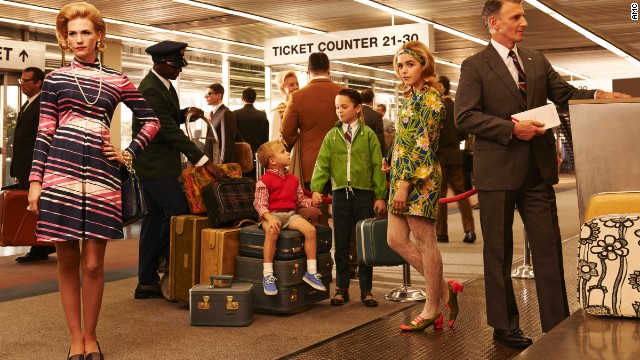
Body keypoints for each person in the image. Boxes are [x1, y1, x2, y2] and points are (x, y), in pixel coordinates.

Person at [454, 0, 630, 348]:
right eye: (516, 16)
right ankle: (504, 326)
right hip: (497, 172)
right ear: (494, 23)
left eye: (523, 15)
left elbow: (563, 93)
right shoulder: (474, 65)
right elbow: (465, 117)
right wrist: (509, 129)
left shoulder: (535, 59)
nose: (524, 22)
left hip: (537, 171)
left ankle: (557, 324)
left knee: (549, 249)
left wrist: (599, 93)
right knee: (499, 253)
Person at [27, 3, 161, 358]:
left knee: (93, 263)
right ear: (65, 38)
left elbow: (151, 119)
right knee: (67, 259)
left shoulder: (117, 79)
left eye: (85, 32)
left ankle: (92, 334)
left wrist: (128, 151)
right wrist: (35, 181)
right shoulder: (55, 79)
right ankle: (76, 339)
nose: (78, 39)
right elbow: (44, 132)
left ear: (99, 36)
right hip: (60, 170)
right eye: (72, 34)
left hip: (102, 174)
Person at [133, 40, 226, 300]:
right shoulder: (150, 89)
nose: (179, 70)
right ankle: (165, 256)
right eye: (175, 66)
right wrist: (204, 160)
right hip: (153, 165)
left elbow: (168, 117)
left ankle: (146, 281)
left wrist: (187, 112)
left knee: (152, 221)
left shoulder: (164, 85)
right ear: (159, 63)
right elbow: (168, 130)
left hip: (160, 164)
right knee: (178, 210)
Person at [383, 41, 463, 332]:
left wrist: (404, 184)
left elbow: (422, 146)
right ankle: (445, 291)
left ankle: (432, 308)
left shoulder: (431, 99)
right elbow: (405, 139)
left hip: (420, 178)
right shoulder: (409, 98)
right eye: (400, 65)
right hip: (401, 176)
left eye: (410, 64)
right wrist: (390, 159)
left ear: (424, 66)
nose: (403, 70)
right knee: (395, 239)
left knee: (425, 241)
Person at [310, 88, 387, 307]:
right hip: (339, 194)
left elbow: (377, 166)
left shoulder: (368, 135)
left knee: (363, 243)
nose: (339, 111)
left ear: (358, 108)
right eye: (337, 107)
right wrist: (317, 188)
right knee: (341, 241)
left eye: (344, 107)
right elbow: (322, 163)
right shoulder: (332, 136)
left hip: (364, 194)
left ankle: (366, 289)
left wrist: (380, 195)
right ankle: (341, 288)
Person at [253, 140, 326, 295]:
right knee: (272, 231)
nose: (288, 153)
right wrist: (270, 219)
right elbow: (259, 205)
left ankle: (311, 272)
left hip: (290, 215)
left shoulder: (293, 179)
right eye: (282, 152)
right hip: (270, 215)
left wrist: (312, 202)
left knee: (311, 231)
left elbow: (300, 201)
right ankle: (267, 275)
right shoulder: (264, 181)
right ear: (272, 161)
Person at [280, 52, 344, 188]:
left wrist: (293, 144)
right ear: (329, 70)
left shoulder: (297, 97)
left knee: (314, 207)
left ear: (308, 71)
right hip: (343, 164)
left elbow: (286, 132)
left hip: (310, 165)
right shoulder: (345, 93)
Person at [12, 67, 56, 263]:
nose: (23, 84)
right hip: (25, 166)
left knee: (36, 208)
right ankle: (43, 245)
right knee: (33, 209)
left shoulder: (43, 104)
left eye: (27, 81)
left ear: (39, 82)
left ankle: (41, 246)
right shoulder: (29, 103)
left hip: (34, 167)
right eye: (21, 81)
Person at [434, 75, 476, 244]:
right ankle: (469, 230)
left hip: (439, 156)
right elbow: (464, 132)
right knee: (461, 194)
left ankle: (441, 233)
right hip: (456, 155)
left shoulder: (435, 107)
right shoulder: (457, 106)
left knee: (440, 196)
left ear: (439, 87)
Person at [234, 87, 269, 177]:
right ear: (255, 99)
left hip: (240, 157)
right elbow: (266, 138)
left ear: (242, 98)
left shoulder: (235, 114)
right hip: (257, 156)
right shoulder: (262, 115)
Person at [204, 83, 236, 165]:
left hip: (219, 163)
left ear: (219, 96)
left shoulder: (225, 113)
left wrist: (223, 165)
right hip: (212, 161)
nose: (205, 97)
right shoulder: (214, 113)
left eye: (208, 94)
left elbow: (227, 143)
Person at [270, 70, 299, 141]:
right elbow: (274, 141)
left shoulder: (301, 107)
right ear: (282, 89)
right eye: (291, 85)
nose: (296, 87)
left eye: (297, 84)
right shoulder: (277, 112)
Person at [360, 88, 386, 154]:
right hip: (371, 151)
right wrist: (382, 154)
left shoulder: (354, 113)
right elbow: (380, 137)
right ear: (372, 100)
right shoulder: (376, 115)